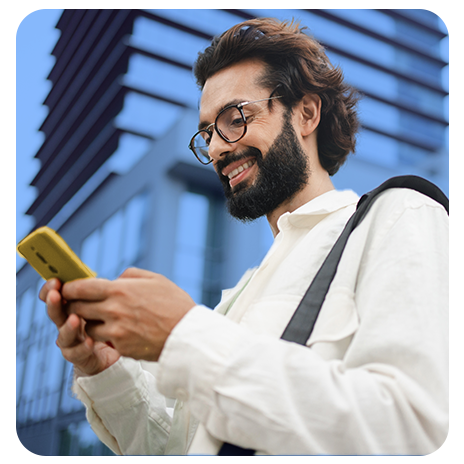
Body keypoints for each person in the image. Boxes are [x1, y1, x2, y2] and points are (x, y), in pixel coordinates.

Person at [39, 18, 449, 455]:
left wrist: (185, 335)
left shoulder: (400, 215)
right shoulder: (238, 298)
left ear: (306, 112)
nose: (215, 148)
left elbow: (418, 428)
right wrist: (105, 368)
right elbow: (181, 448)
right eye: (208, 133)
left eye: (235, 118)